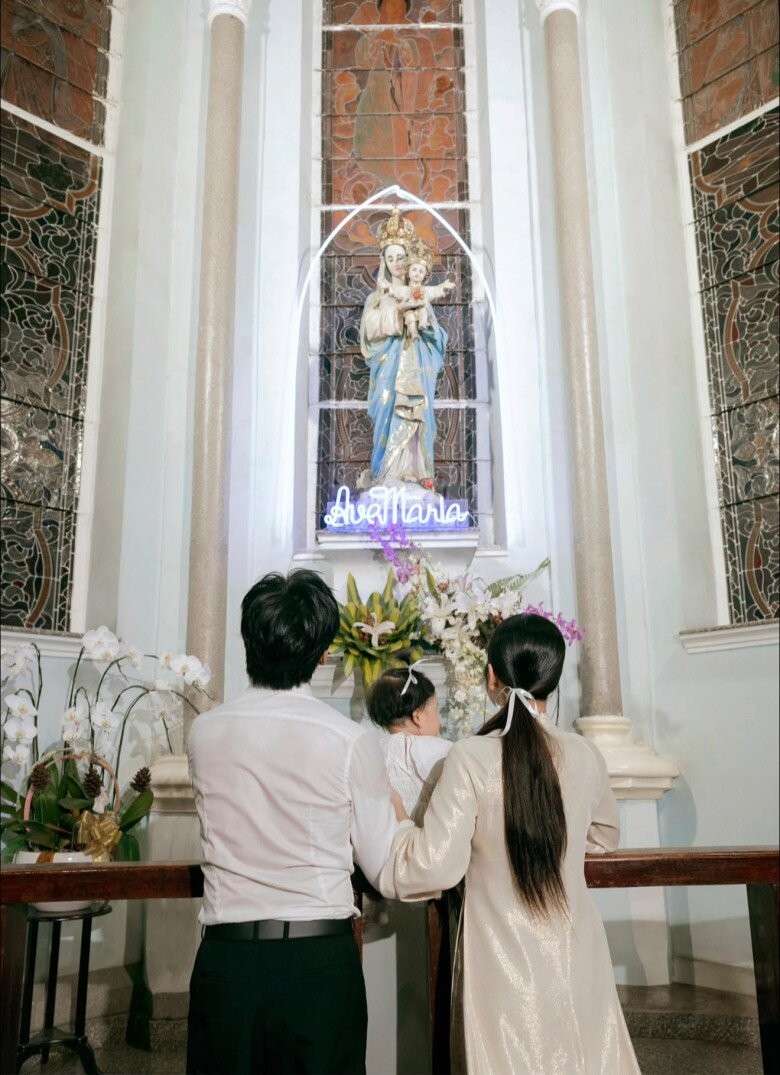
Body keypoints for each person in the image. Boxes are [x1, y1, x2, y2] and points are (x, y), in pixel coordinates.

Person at [379, 613, 640, 1074]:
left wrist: (401, 825)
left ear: (491, 677)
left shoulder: (470, 757)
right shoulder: (584, 754)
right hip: (574, 951)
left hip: (501, 962)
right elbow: (604, 836)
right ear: (552, 682)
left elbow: (432, 867)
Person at [187, 570, 399, 1075]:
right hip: (317, 966)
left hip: (226, 963)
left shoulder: (203, 732)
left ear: (248, 641)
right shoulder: (348, 739)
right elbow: (381, 863)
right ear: (322, 653)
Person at [359, 209, 450, 491]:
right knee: (389, 411)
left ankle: (415, 470)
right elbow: (369, 331)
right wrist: (399, 315)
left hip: (416, 368)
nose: (397, 263)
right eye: (391, 258)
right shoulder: (377, 298)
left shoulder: (420, 295)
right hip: (388, 370)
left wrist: (425, 323)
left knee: (416, 413)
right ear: (384, 262)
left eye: (401, 257)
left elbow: (438, 337)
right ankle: (386, 473)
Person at [367, 660, 452, 822]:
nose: (439, 721)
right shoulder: (439, 750)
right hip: (424, 835)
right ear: (418, 716)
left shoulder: (373, 751)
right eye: (436, 710)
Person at [385, 240, 455, 342]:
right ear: (408, 272)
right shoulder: (406, 290)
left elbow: (435, 290)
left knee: (423, 310)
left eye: (421, 271)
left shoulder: (425, 290)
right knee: (409, 315)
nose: (417, 273)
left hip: (421, 310)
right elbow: (397, 291)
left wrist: (443, 286)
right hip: (409, 309)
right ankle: (414, 333)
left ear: (425, 275)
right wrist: (389, 290)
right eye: (414, 270)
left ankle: (423, 325)